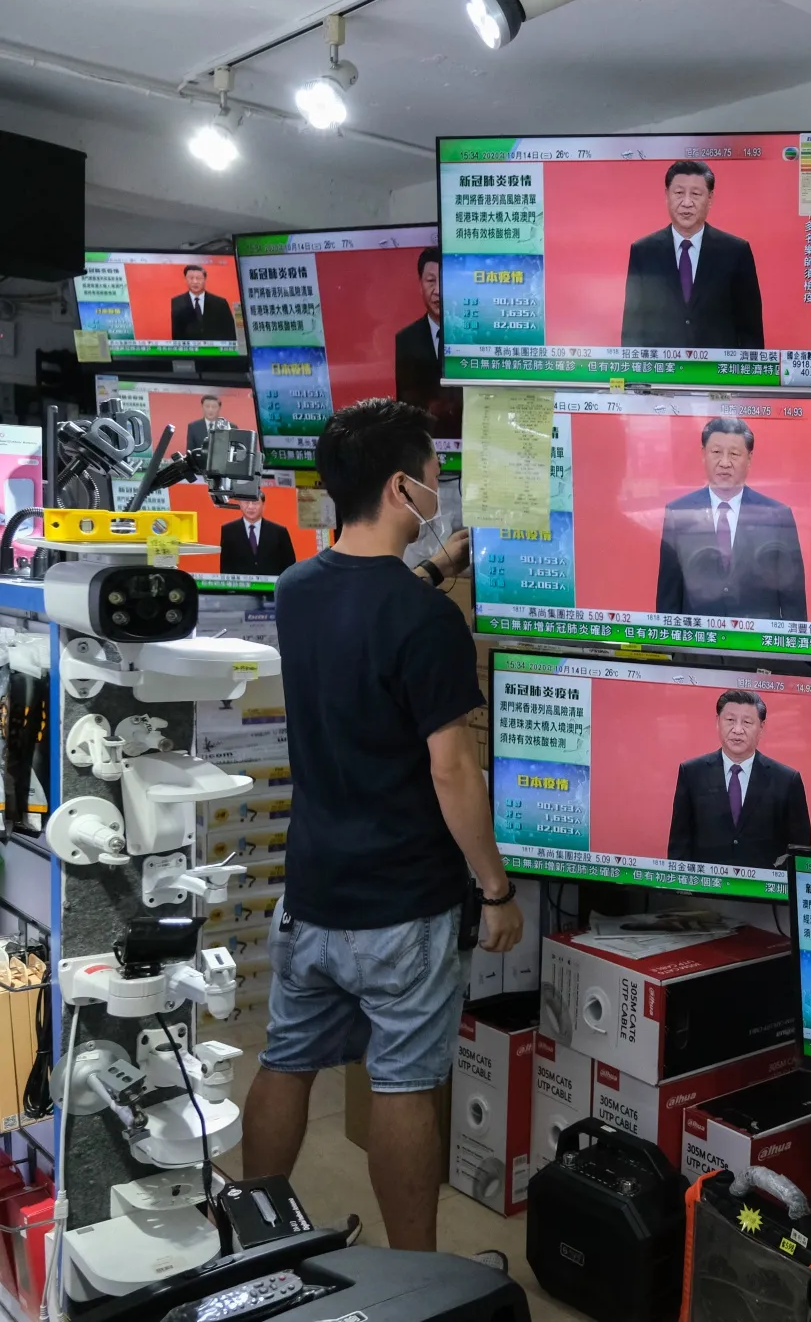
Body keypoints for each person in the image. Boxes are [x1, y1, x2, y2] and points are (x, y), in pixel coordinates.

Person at [243, 397, 522, 1253]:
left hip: (315, 887)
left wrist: (435, 567)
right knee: (404, 1082)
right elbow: (452, 770)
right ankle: (419, 1278)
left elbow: (364, 614)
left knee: (286, 1059)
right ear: (402, 486)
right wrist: (495, 888)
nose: (442, 487)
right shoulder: (426, 622)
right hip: (404, 901)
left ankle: (252, 1241)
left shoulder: (296, 590)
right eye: (436, 477)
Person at [654, 416, 806, 620]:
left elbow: (793, 599)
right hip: (698, 645)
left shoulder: (777, 515)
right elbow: (668, 598)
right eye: (716, 452)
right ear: (703, 454)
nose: (724, 463)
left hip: (758, 647)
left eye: (734, 454)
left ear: (749, 458)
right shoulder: (678, 513)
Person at [620, 159, 764, 350]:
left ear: (710, 198)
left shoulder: (736, 251)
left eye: (696, 194)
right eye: (679, 193)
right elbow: (633, 327)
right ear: (667, 195)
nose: (686, 203)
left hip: (718, 374)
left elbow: (750, 331)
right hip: (661, 375)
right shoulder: (643, 251)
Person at [667, 689, 811, 869]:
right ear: (717, 722)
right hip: (706, 890)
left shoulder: (787, 780)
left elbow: (799, 852)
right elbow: (679, 845)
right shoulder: (692, 773)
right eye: (730, 720)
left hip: (764, 892)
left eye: (747, 722)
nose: (737, 730)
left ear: (761, 728)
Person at [393, 247, 445, 411]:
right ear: (420, 285)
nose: (438, 291)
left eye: (445, 281)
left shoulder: (471, 336)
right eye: (431, 281)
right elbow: (405, 404)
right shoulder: (406, 339)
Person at [218, 492, 298, 577]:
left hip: (272, 588)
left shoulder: (279, 531)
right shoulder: (228, 530)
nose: (251, 507)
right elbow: (225, 567)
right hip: (241, 588)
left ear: (263, 505)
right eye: (246, 502)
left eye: (255, 502)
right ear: (240, 504)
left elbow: (290, 566)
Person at [170, 263, 237, 342]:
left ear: (205, 279)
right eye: (191, 278)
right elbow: (177, 334)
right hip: (190, 352)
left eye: (198, 278)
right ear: (185, 279)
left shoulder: (220, 303)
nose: (195, 282)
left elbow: (230, 332)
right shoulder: (177, 302)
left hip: (216, 351)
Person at [185, 393, 226, 459]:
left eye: (214, 407)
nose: (210, 410)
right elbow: (190, 453)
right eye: (207, 406)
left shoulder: (229, 427)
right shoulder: (193, 427)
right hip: (200, 467)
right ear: (202, 407)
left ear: (219, 408)